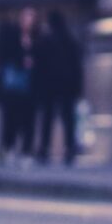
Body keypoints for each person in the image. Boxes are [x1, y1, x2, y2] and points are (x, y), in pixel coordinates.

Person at [33, 10, 84, 166]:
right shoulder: (70, 40)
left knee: (48, 119)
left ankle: (44, 149)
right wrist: (78, 87)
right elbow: (77, 66)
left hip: (50, 87)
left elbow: (39, 67)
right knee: (68, 119)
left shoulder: (46, 40)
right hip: (67, 86)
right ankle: (69, 149)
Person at [0, 7, 39, 165]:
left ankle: (26, 151)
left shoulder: (36, 38)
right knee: (10, 119)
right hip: (13, 85)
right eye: (26, 17)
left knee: (28, 121)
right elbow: (3, 55)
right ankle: (8, 148)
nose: (29, 21)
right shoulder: (12, 35)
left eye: (32, 18)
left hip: (30, 85)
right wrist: (22, 60)